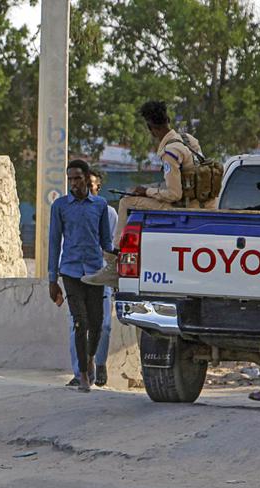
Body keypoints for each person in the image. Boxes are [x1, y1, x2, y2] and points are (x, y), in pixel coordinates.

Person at [82, 100, 208, 288]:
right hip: (198, 203)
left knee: (126, 202)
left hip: (181, 206)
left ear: (150, 128)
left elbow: (174, 193)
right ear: (168, 119)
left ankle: (115, 259)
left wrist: (147, 191)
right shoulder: (187, 140)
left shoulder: (170, 152)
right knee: (135, 195)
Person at [48, 159, 114, 392]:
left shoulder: (101, 205)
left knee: (97, 324)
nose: (73, 183)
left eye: (77, 178)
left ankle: (90, 357)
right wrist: (52, 279)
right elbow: (54, 242)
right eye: (70, 179)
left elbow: (106, 241)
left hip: (95, 272)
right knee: (80, 322)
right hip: (70, 271)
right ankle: (83, 374)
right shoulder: (60, 206)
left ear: (87, 178)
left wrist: (115, 269)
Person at [67, 169, 117, 387]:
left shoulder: (108, 212)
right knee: (78, 324)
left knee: (104, 325)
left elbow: (110, 245)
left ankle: (100, 361)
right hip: (76, 273)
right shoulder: (68, 209)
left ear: (98, 187)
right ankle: (80, 373)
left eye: (92, 184)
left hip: (100, 274)